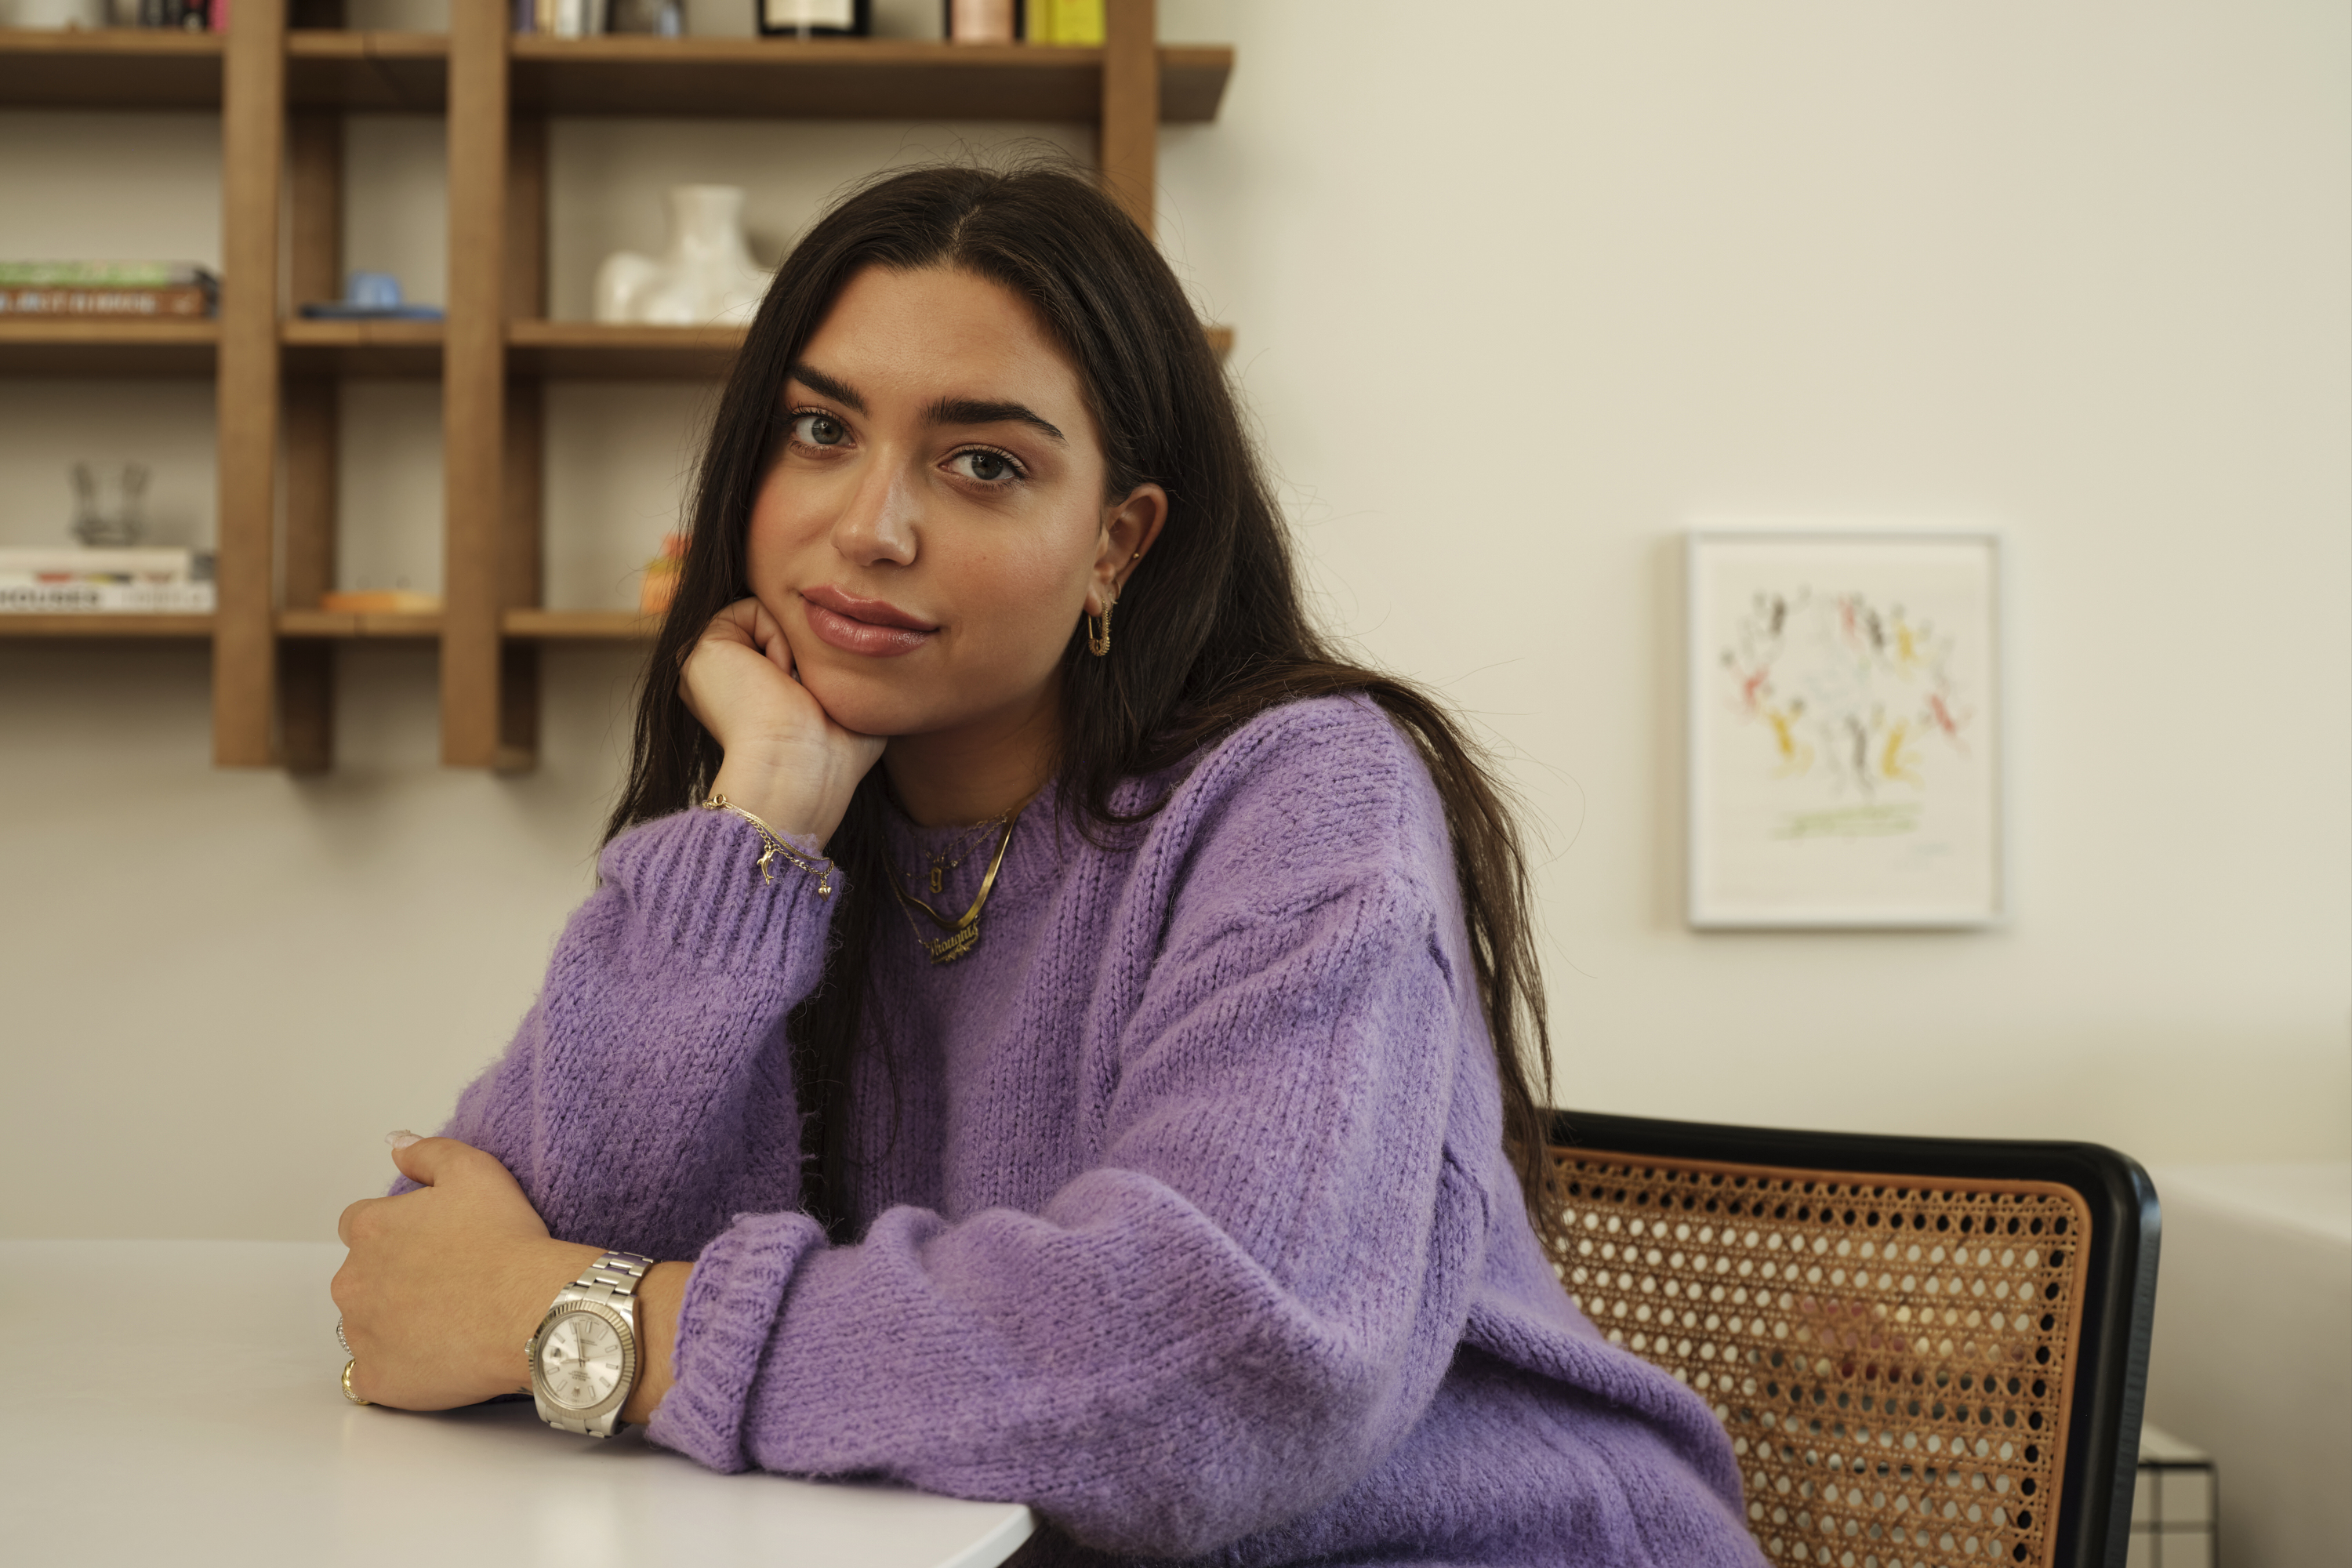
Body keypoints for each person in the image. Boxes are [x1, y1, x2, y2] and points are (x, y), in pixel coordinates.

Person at [332, 162, 1763, 1567]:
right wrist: (759, 825)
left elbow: (1220, 1365)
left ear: (1116, 547)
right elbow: (455, 1263)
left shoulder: (1304, 796)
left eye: (984, 464)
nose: (869, 527)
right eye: (821, 430)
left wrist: (587, 1323)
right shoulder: (804, 833)